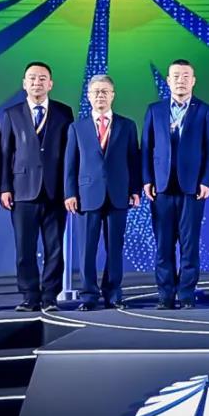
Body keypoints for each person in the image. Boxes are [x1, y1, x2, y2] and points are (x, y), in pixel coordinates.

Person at [142, 59, 209, 310]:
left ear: (193, 81)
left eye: (185, 76)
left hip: (192, 188)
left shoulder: (204, 111)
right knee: (163, 245)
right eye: (176, 76)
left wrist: (206, 180)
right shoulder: (155, 110)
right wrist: (147, 180)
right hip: (161, 188)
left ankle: (186, 294)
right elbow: (146, 148)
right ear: (168, 81)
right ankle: (165, 295)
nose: (180, 80)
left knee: (189, 244)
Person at [0, 61, 73, 312]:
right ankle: (30, 295)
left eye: (42, 78)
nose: (37, 83)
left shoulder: (64, 112)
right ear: (24, 83)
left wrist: (69, 190)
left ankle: (50, 295)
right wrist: (4, 187)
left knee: (55, 248)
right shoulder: (12, 114)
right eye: (32, 78)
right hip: (22, 191)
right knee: (25, 248)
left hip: (55, 191)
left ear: (50, 84)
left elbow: (69, 155)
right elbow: (5, 153)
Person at [63, 75, 141, 311]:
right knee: (87, 249)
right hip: (87, 195)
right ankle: (88, 295)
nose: (100, 96)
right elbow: (70, 164)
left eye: (105, 91)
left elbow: (134, 160)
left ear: (113, 95)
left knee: (115, 248)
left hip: (118, 194)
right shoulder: (77, 127)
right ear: (88, 96)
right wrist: (70, 193)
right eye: (96, 91)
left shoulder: (127, 126)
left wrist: (135, 189)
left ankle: (113, 293)